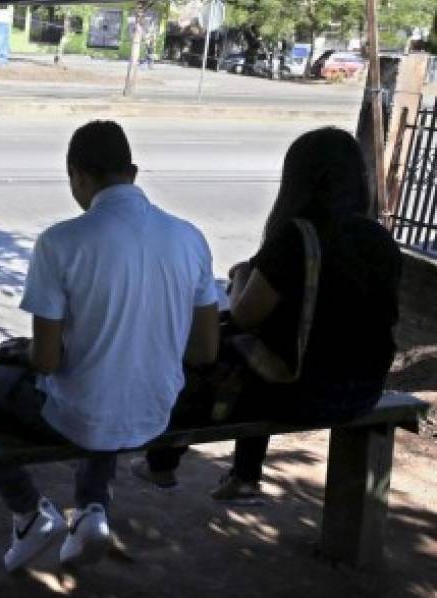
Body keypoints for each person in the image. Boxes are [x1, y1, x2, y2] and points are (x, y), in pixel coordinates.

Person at [0, 120, 219, 572]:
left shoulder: (60, 242)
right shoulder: (191, 238)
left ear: (78, 177)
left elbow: (47, 360)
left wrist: (24, 352)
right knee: (108, 377)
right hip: (156, 412)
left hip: (80, 418)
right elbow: (205, 349)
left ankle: (28, 513)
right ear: (133, 172)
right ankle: (91, 507)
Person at [135, 127, 402, 502]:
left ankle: (162, 462)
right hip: (363, 389)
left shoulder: (297, 237)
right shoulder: (380, 239)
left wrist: (242, 274)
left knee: (208, 350)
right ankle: (244, 477)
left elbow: (245, 313)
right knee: (266, 349)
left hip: (301, 395)